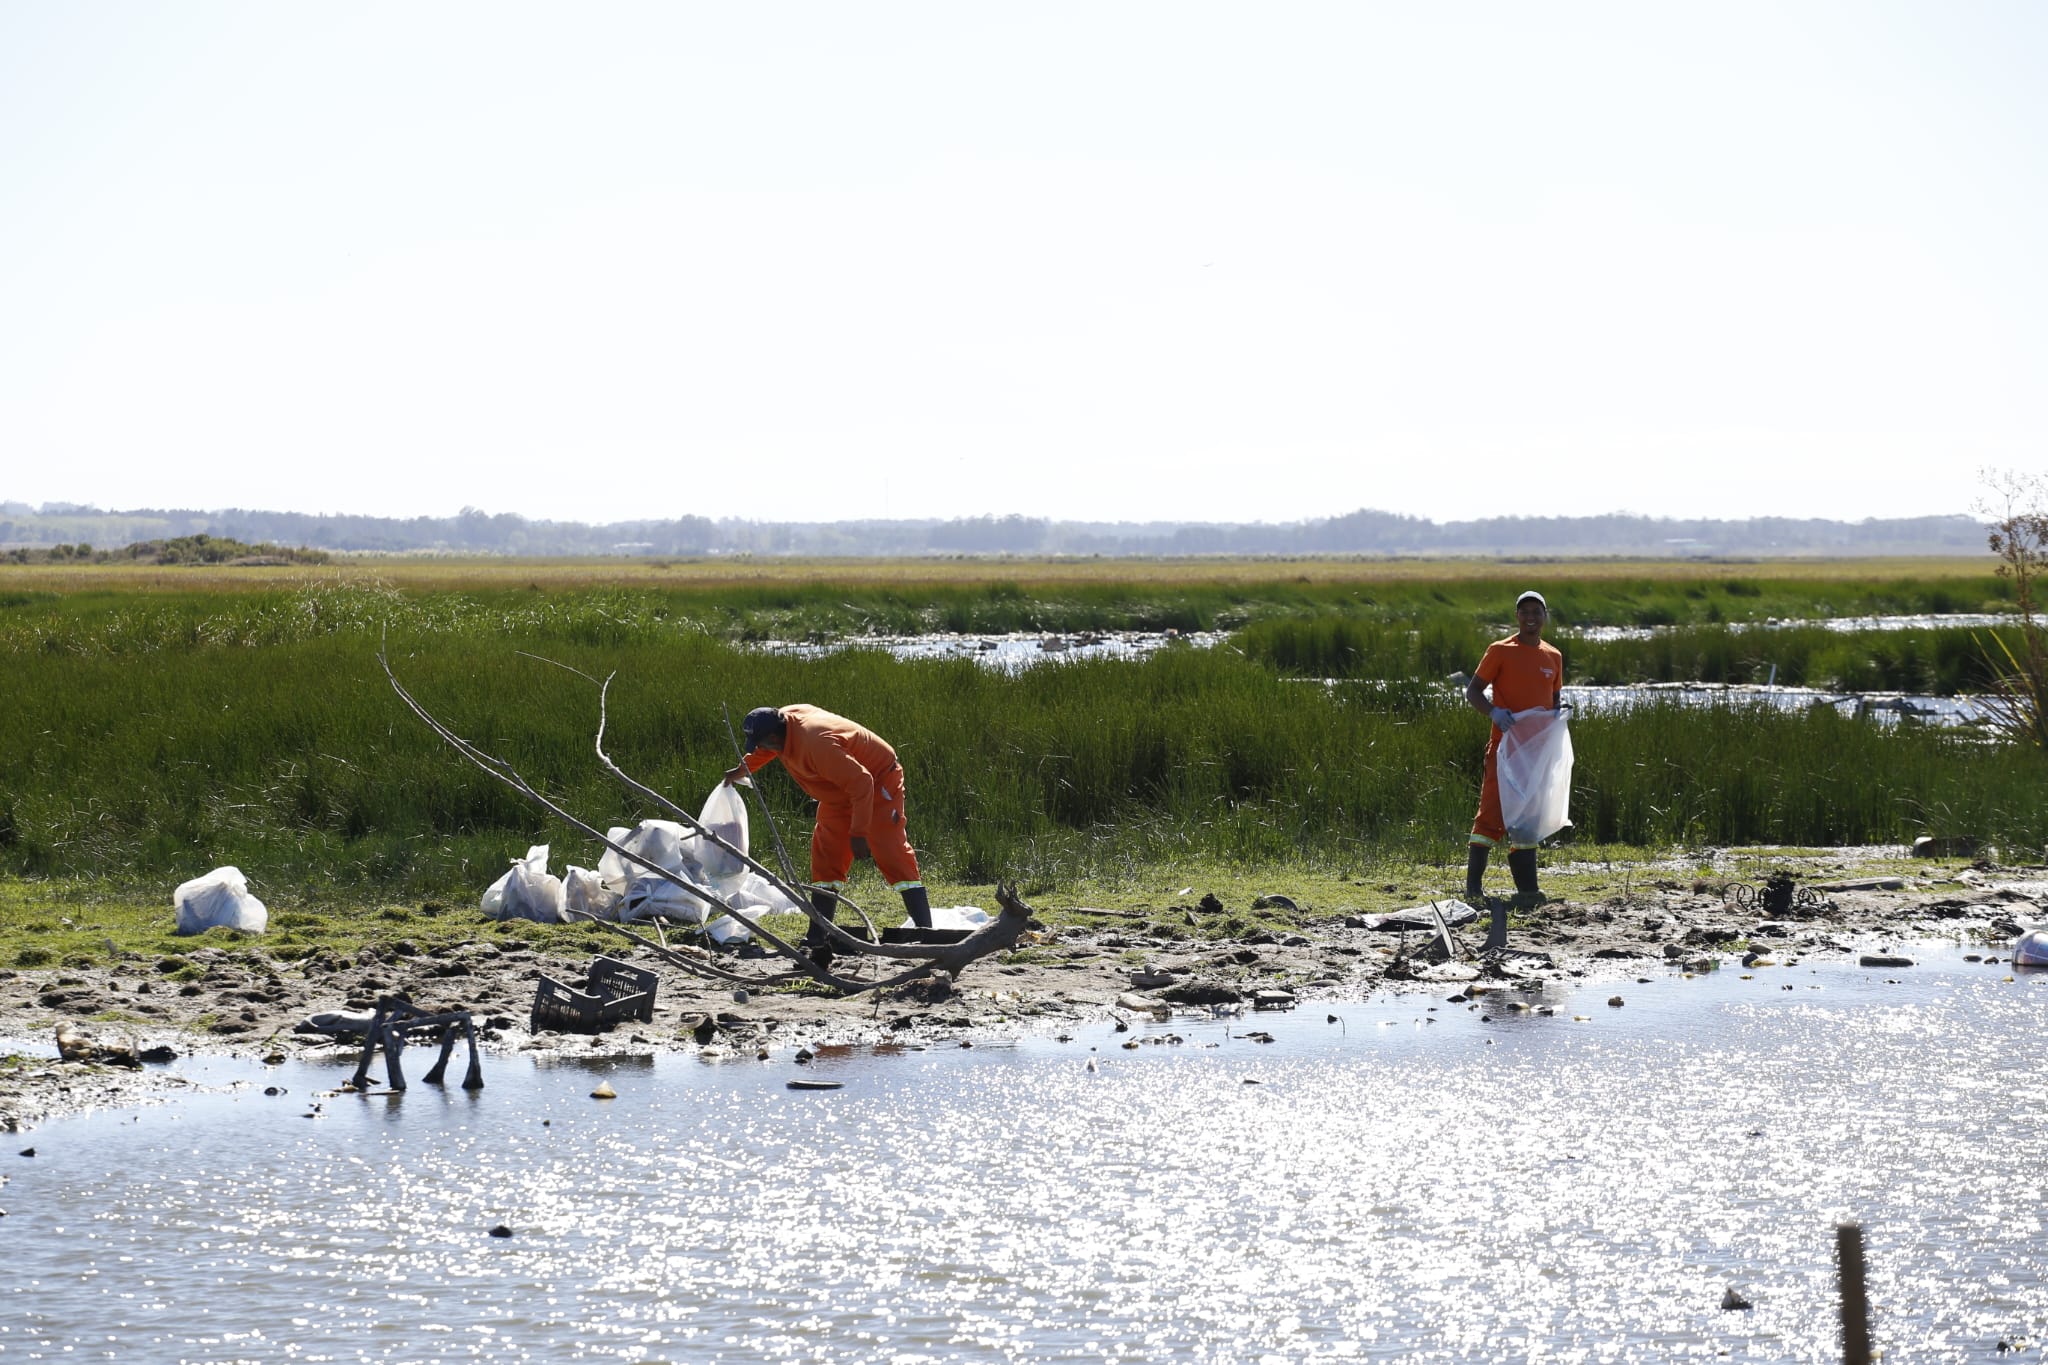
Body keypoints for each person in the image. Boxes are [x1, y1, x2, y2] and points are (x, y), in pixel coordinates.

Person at [722, 705, 931, 966]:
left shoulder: (817, 744)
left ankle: (927, 933)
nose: (761, 748)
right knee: (826, 856)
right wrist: (743, 769)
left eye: (762, 743)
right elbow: (766, 750)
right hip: (838, 791)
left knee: (890, 850)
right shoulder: (781, 723)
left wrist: (858, 833)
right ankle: (817, 936)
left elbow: (862, 782)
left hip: (877, 783)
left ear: (775, 737)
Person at [1463, 590, 1564, 951]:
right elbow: (1473, 691)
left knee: (1527, 820)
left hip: (1536, 754)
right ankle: (1473, 889)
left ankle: (1528, 890)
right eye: (1524, 612)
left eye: (1537, 612)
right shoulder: (1500, 650)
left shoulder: (1553, 656)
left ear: (1544, 616)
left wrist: (1558, 723)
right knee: (1491, 814)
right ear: (1517, 617)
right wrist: (1493, 712)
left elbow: (1553, 702)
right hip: (1505, 749)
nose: (1530, 617)